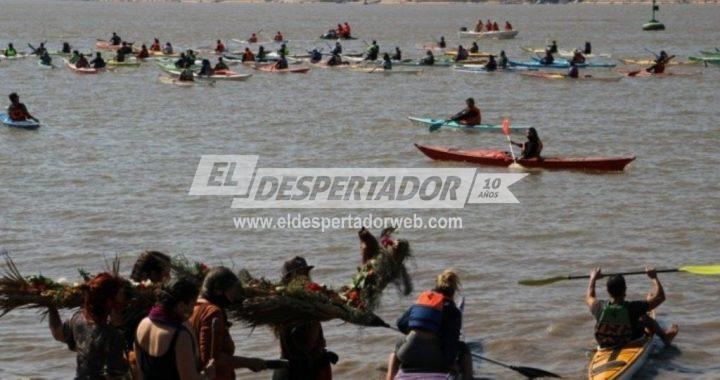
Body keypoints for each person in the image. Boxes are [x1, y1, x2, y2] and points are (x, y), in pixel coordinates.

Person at [385, 269, 472, 380]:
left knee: (396, 349)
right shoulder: (453, 311)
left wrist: (418, 327)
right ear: (453, 292)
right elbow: (451, 343)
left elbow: (400, 324)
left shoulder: (423, 301)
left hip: (408, 352)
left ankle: (389, 377)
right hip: (435, 358)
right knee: (464, 348)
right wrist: (451, 364)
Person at [189, 267, 268, 380]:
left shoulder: (193, 308)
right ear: (218, 290)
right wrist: (249, 362)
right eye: (233, 291)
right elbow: (210, 359)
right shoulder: (212, 312)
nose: (235, 296)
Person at [48, 273, 130, 379]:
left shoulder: (77, 319)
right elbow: (116, 375)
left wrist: (51, 307)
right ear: (110, 302)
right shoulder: (113, 335)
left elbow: (57, 334)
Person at [135, 278, 215, 380]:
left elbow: (139, 374)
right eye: (193, 304)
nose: (193, 310)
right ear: (181, 306)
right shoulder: (179, 336)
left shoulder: (142, 324)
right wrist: (207, 375)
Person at [273, 257, 338, 380]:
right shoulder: (292, 307)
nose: (305, 278)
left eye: (305, 273)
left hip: (296, 369)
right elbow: (304, 345)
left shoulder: (301, 303)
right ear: (289, 279)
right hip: (297, 372)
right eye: (300, 274)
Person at [586, 267, 679, 349]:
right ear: (625, 289)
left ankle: (649, 302)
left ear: (608, 291)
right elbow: (661, 297)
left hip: (605, 343)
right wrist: (654, 277)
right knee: (644, 317)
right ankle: (665, 337)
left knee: (603, 317)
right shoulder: (632, 308)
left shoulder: (598, 306)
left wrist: (593, 278)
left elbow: (589, 296)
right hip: (629, 340)